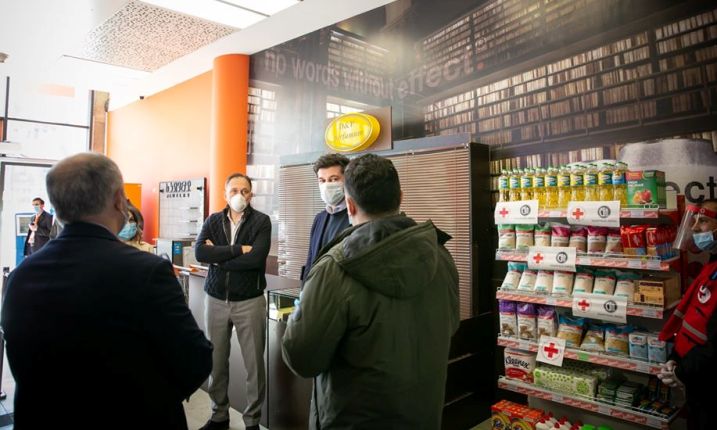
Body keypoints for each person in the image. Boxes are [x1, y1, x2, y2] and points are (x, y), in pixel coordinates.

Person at [0, 153, 213, 429]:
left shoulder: (20, 277)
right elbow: (195, 360)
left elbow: (21, 360)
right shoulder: (147, 272)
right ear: (118, 200)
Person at [281, 153, 460, 429]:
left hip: (351, 418)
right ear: (400, 197)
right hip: (424, 413)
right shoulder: (439, 253)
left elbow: (301, 357)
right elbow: (451, 324)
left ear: (350, 205)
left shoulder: (335, 269)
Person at [195, 172, 272, 430]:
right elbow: (200, 252)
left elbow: (256, 259)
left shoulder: (261, 221)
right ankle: (219, 416)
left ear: (251, 194)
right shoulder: (213, 220)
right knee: (216, 362)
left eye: (244, 191)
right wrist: (237, 250)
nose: (240, 195)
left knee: (254, 366)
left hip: (250, 300)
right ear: (225, 194)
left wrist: (218, 257)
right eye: (234, 191)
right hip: (215, 298)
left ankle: (252, 422)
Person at [658, 198, 717, 430]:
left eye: (702, 221)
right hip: (698, 380)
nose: (694, 229)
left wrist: (681, 371)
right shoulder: (712, 264)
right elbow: (694, 319)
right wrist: (675, 358)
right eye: (693, 222)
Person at [301, 153, 352, 281]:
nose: (327, 185)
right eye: (322, 181)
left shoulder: (356, 216)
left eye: (334, 179)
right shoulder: (319, 218)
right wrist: (305, 289)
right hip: (316, 288)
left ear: (347, 180)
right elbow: (310, 260)